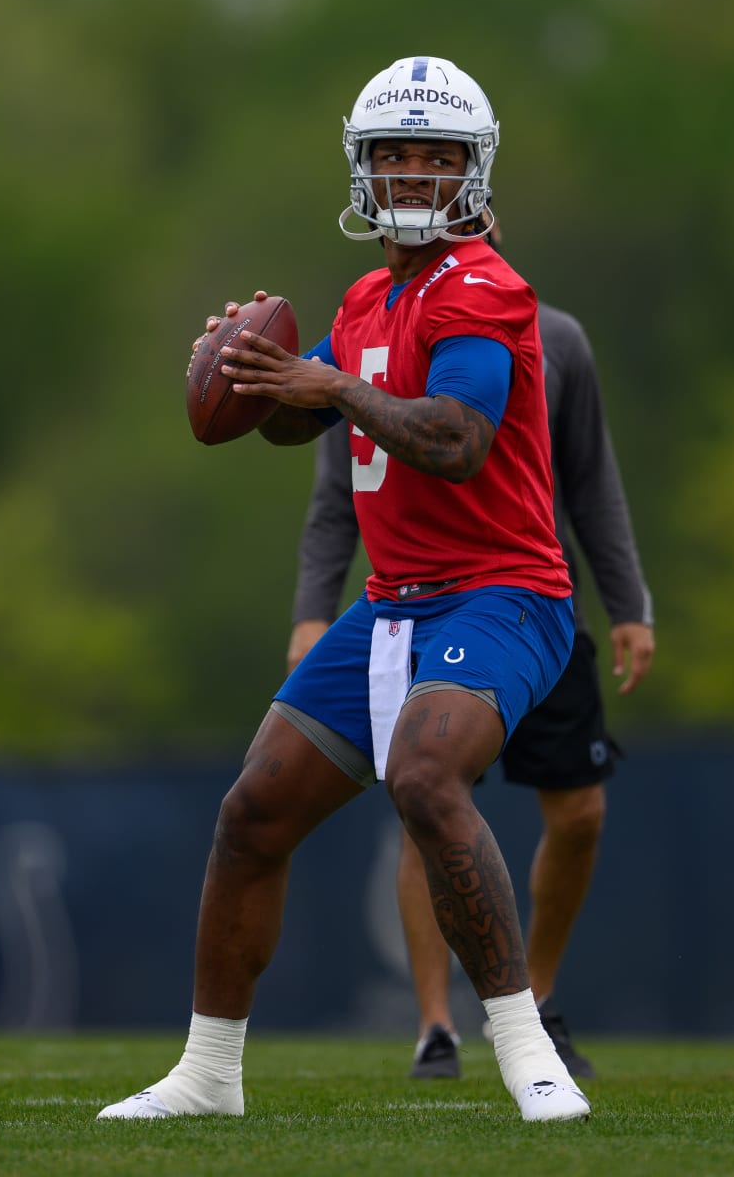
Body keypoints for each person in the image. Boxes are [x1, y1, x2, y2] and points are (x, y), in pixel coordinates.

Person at [99, 56, 591, 1122]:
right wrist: (250, 369)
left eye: (439, 156)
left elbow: (455, 441)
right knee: (252, 811)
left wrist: (333, 382)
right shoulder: (369, 296)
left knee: (424, 772)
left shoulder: (483, 288)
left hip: (502, 593)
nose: (415, 174)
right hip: (396, 603)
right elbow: (293, 421)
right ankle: (208, 1074)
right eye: (395, 155)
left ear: (475, 170)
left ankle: (525, 1048)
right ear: (363, 168)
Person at [286, 251, 654, 1081]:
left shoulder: (555, 336)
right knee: (424, 798)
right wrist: (313, 610)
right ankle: (435, 1027)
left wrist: (629, 605)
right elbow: (336, 490)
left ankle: (540, 1004)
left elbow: (592, 481)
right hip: (414, 606)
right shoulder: (369, 322)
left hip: (529, 598)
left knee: (581, 810)